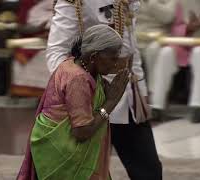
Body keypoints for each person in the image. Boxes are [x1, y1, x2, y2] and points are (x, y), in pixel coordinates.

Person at [46, 0, 162, 179]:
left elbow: (131, 49)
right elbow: (56, 52)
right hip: (91, 98)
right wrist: (78, 87)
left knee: (149, 170)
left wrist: (142, 90)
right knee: (89, 172)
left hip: (128, 94)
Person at [17, 24, 129, 180]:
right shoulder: (78, 79)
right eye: (112, 58)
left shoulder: (72, 63)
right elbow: (81, 132)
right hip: (62, 152)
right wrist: (110, 102)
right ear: (93, 56)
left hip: (49, 144)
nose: (115, 64)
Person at [136, 0, 177, 94]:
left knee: (153, 50)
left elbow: (168, 17)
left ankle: (153, 93)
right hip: (135, 36)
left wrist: (151, 3)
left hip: (158, 37)